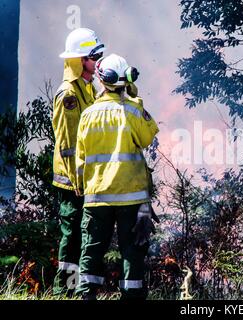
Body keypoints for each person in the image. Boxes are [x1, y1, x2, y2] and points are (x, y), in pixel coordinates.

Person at [74, 54, 159, 300]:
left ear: (102, 80)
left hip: (97, 197)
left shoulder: (87, 115)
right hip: (130, 198)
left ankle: (86, 295)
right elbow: (147, 137)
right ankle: (131, 297)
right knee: (132, 252)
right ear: (127, 79)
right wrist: (134, 97)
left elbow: (80, 158)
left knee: (91, 249)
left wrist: (83, 188)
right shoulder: (133, 110)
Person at [52, 27, 105, 296]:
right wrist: (77, 180)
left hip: (86, 178)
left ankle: (78, 289)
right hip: (72, 182)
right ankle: (64, 290)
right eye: (95, 56)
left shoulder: (88, 89)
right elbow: (68, 145)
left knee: (84, 234)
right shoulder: (69, 95)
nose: (99, 61)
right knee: (71, 235)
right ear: (80, 60)